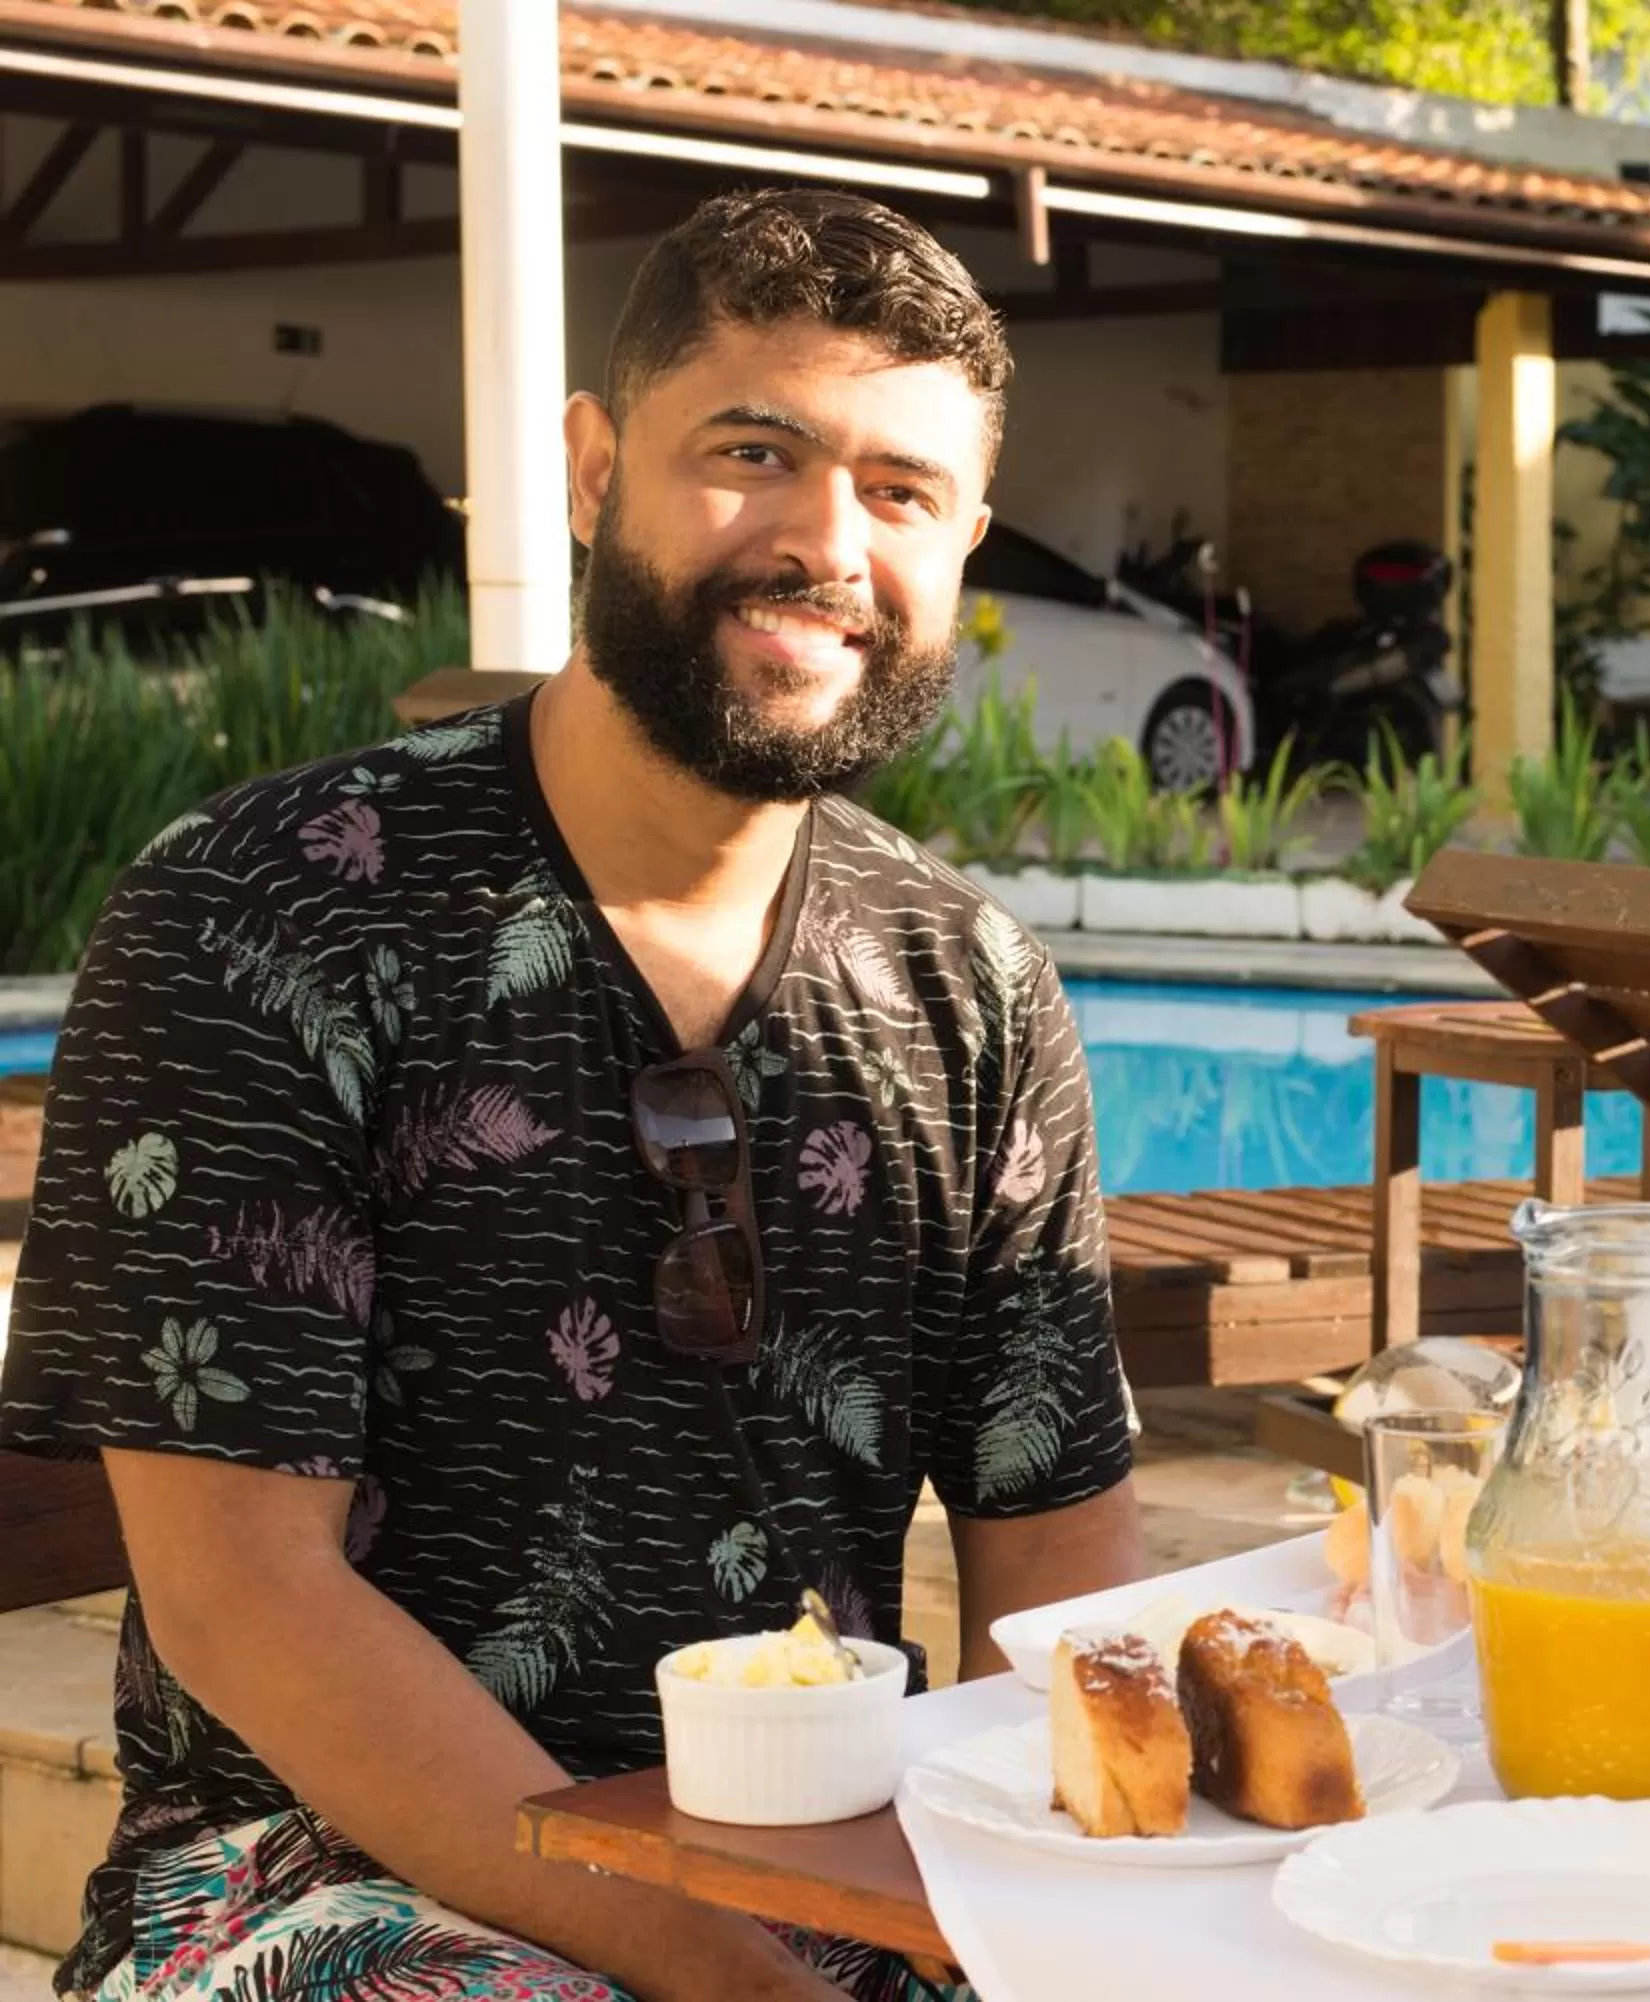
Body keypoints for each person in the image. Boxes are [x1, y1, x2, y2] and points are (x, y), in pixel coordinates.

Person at [0, 188, 1144, 2001]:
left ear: (967, 543)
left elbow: (1058, 1567)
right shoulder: (266, 909)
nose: (824, 542)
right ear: (594, 467)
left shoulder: (969, 982)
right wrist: (734, 1978)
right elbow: (243, 1600)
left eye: (901, 491)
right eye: (753, 450)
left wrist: (1084, 1924)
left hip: (828, 1855)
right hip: (318, 1879)